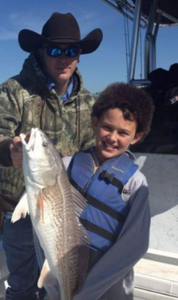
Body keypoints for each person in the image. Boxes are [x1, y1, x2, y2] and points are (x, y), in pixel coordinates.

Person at [0, 12, 103, 300]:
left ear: (79, 55)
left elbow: (96, 157)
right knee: (22, 289)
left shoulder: (90, 104)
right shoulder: (14, 91)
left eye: (71, 50)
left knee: (66, 285)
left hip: (67, 216)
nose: (63, 57)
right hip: (18, 215)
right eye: (55, 50)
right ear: (41, 51)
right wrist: (8, 152)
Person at [38, 82, 154, 300]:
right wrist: (53, 288)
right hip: (58, 287)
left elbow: (134, 246)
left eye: (123, 132)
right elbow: (43, 225)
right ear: (95, 122)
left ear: (136, 137)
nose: (112, 138)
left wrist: (85, 294)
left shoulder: (136, 184)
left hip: (106, 290)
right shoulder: (64, 166)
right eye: (107, 128)